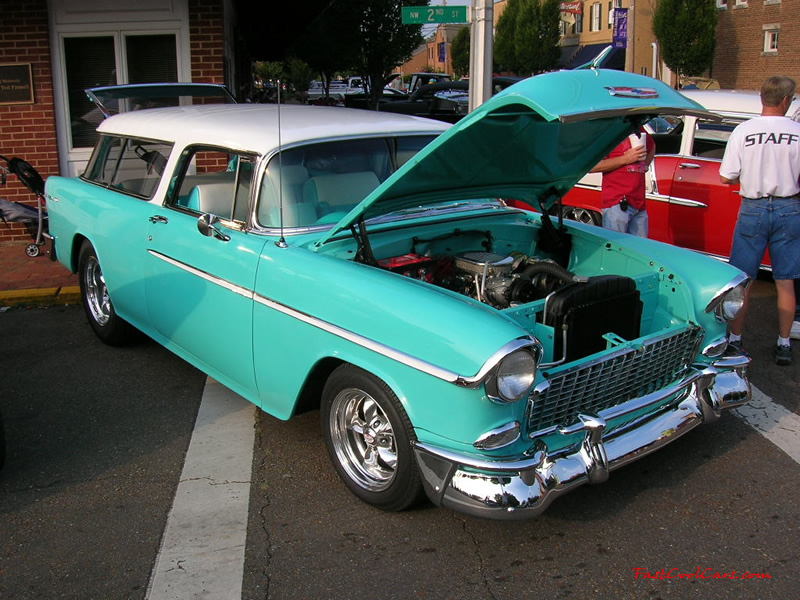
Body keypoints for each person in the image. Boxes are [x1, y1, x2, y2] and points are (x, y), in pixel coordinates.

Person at [719, 75, 800, 366]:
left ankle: (736, 341)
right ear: (786, 101)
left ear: (762, 98)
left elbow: (726, 175)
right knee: (785, 280)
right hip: (789, 207)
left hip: (753, 208)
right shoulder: (798, 132)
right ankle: (783, 343)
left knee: (743, 281)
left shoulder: (744, 131)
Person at [590, 128, 655, 237]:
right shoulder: (607, 133)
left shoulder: (637, 127)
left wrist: (645, 165)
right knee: (616, 247)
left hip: (640, 204)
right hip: (617, 203)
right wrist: (626, 159)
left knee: (638, 250)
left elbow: (652, 147)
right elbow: (592, 166)